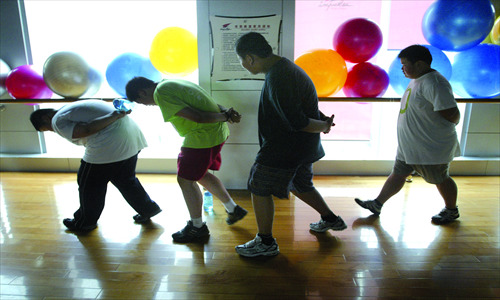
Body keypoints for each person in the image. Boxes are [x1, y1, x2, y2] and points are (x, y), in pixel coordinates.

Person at [233, 32, 347, 257]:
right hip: (302, 147)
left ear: (251, 58)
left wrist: (323, 126)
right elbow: (305, 107)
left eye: (242, 60)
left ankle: (265, 242)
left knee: (259, 187)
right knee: (301, 184)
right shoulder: (286, 69)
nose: (243, 65)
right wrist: (322, 121)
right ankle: (331, 219)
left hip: (285, 147)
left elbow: (298, 121)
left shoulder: (279, 76)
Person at [125, 77, 247, 243]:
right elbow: (210, 105)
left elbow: (198, 117)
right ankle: (233, 209)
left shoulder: (161, 92)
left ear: (142, 92)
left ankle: (197, 228)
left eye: (142, 102)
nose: (147, 105)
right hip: (216, 134)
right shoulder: (172, 82)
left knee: (185, 180)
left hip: (201, 137)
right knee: (199, 174)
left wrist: (226, 116)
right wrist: (226, 114)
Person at [355, 44, 461, 225]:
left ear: (419, 64)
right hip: (411, 145)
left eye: (405, 64)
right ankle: (377, 204)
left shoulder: (434, 83)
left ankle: (451, 210)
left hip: (430, 147)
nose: (402, 68)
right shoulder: (418, 79)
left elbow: (453, 115)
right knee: (398, 173)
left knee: (440, 178)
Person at [29, 100, 162, 232]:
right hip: (132, 138)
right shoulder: (71, 109)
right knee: (125, 180)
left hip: (110, 144)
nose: (53, 131)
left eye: (47, 129)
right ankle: (148, 209)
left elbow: (86, 129)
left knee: (89, 185)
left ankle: (85, 222)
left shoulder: (57, 120)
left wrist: (115, 115)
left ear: (45, 118)